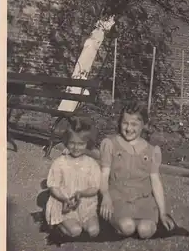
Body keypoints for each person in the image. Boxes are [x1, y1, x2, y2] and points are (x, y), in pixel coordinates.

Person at [99, 102, 175, 239]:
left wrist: (163, 212)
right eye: (125, 123)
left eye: (134, 125)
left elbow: (156, 181)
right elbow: (104, 175)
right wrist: (105, 197)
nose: (128, 128)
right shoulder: (110, 144)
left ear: (144, 125)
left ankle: (142, 220)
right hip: (118, 199)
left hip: (143, 201)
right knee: (127, 227)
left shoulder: (151, 151)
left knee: (145, 230)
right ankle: (120, 220)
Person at [45, 117, 101, 239]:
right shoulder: (60, 163)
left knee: (94, 231)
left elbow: (95, 187)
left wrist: (81, 193)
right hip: (64, 203)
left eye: (81, 144)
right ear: (66, 142)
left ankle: (84, 220)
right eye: (72, 143)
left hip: (85, 204)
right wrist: (64, 198)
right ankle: (58, 224)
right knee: (75, 231)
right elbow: (53, 186)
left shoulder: (91, 164)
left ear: (87, 144)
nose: (76, 147)